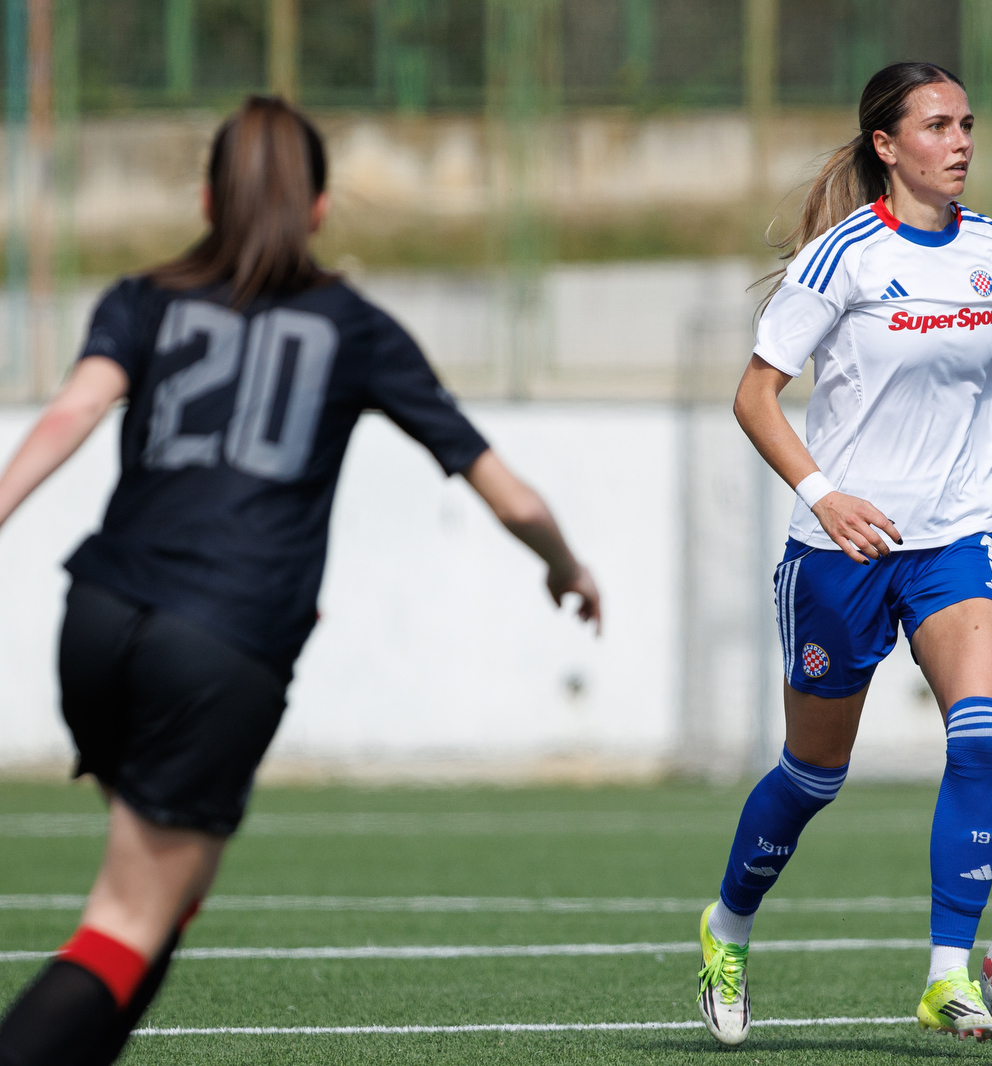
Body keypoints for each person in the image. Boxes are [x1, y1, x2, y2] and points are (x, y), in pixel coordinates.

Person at [0, 96, 600, 1066]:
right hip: (220, 641)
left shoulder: (141, 297)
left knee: (159, 896)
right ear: (320, 208)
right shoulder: (355, 327)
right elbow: (512, 494)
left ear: (206, 197)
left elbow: (70, 415)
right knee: (124, 917)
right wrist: (565, 567)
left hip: (99, 619)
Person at [695, 63, 992, 1046]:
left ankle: (945, 973)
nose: (960, 141)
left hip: (954, 541)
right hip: (837, 553)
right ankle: (727, 925)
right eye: (936, 125)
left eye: (967, 122)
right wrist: (822, 495)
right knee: (813, 774)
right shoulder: (839, 257)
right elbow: (755, 395)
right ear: (887, 145)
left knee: (980, 738)